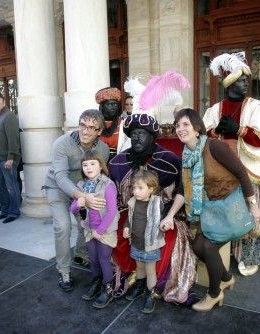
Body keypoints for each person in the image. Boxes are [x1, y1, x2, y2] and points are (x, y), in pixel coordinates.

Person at [161, 108, 260, 312]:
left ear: (198, 128)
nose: (180, 129)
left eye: (185, 124)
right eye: (177, 125)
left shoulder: (214, 146)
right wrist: (170, 215)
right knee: (198, 245)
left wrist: (254, 205)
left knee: (206, 246)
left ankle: (214, 293)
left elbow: (242, 173)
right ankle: (225, 278)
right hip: (209, 211)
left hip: (229, 208)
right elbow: (183, 189)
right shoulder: (187, 155)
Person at [203, 52, 260, 276]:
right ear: (229, 83)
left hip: (247, 171)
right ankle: (227, 252)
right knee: (226, 214)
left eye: (247, 79)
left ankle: (250, 256)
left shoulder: (257, 107)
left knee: (250, 214)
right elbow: (203, 136)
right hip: (221, 173)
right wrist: (216, 131)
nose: (246, 83)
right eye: (241, 79)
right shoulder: (214, 110)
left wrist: (239, 130)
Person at [109, 113, 196, 304]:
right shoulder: (118, 162)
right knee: (117, 236)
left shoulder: (170, 160)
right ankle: (135, 279)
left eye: (142, 133)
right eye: (133, 133)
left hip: (163, 215)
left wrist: (169, 215)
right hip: (130, 214)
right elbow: (114, 197)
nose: (136, 137)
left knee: (168, 240)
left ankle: (155, 285)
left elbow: (182, 191)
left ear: (152, 136)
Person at [44, 109, 109, 292]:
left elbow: (98, 176)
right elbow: (61, 177)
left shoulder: (102, 150)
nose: (85, 131)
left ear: (99, 132)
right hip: (57, 188)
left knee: (87, 223)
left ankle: (81, 254)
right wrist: (82, 197)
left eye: (91, 127)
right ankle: (64, 271)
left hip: (82, 189)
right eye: (82, 125)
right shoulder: (62, 143)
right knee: (63, 226)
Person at [70, 150, 118, 309]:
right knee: (93, 258)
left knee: (104, 259)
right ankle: (97, 281)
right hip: (89, 230)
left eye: (92, 164)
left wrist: (101, 230)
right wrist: (79, 203)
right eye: (85, 164)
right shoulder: (81, 186)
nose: (88, 167)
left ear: (100, 166)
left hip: (105, 231)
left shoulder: (108, 185)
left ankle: (108, 287)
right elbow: (73, 209)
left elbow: (112, 212)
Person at [123, 170, 165, 313]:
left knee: (150, 270)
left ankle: (150, 294)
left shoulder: (157, 203)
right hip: (136, 243)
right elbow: (129, 219)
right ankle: (140, 287)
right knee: (139, 267)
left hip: (151, 245)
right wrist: (126, 228)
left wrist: (166, 222)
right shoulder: (133, 202)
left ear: (151, 189)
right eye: (134, 187)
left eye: (140, 188)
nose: (135, 191)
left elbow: (161, 219)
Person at [0, 90, 21, 224]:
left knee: (11, 187)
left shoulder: (9, 116)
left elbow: (13, 139)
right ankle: (5, 210)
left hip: (6, 159)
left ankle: (14, 212)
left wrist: (11, 157)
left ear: (1, 100)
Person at [96, 87, 122, 159]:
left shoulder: (122, 124)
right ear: (102, 106)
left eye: (115, 104)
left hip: (118, 160)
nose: (113, 107)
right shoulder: (94, 124)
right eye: (109, 104)